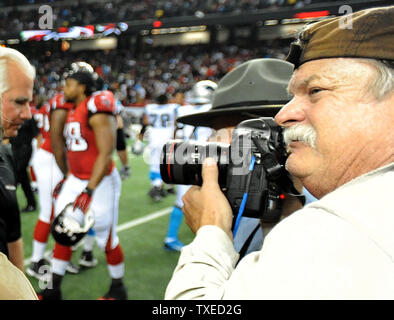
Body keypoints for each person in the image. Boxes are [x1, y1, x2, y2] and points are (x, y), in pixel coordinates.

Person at [165, 6, 394, 299]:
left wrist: (210, 233)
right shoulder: (291, 207)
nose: (286, 116)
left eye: (315, 91)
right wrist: (280, 220)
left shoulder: (347, 223)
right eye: (214, 133)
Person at [176, 58, 303, 258]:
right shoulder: (249, 203)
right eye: (213, 135)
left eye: (232, 137)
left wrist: (211, 234)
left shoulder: (328, 223)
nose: (210, 146)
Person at [38, 70, 127, 300]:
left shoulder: (97, 104)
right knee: (62, 230)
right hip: (76, 180)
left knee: (105, 237)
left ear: (82, 86)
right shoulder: (72, 109)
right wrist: (71, 178)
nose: (64, 88)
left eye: (69, 83)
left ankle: (118, 289)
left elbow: (106, 152)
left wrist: (89, 188)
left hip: (101, 182)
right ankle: (51, 288)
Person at [0, 46, 38, 299]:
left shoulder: (5, 154)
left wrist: (21, 284)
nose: (27, 113)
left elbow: (13, 235)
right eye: (19, 102)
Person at [164, 82, 217, 252]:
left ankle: (173, 237)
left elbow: (175, 135)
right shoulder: (211, 108)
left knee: (183, 200)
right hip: (202, 158)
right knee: (208, 199)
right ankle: (172, 238)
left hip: (182, 155)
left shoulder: (182, 110)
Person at [140, 93, 178, 201]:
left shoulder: (150, 108)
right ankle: (164, 187)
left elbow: (145, 122)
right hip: (167, 138)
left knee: (156, 164)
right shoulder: (173, 107)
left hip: (154, 138)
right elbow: (176, 122)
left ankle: (158, 186)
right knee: (169, 162)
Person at [9, 115, 39, 212]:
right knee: (23, 178)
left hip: (25, 148)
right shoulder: (10, 114)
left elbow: (37, 134)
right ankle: (31, 204)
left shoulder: (28, 116)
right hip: (13, 148)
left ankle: (8, 204)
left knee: (16, 174)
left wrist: (39, 151)